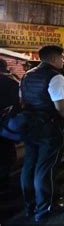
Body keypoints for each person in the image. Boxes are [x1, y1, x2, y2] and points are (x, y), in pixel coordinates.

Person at [19, 45, 64, 222]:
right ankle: (45, 208)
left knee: (29, 166)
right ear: (54, 58)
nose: (63, 59)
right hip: (49, 128)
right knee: (45, 169)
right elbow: (61, 108)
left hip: (29, 126)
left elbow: (22, 101)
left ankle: (30, 206)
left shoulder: (27, 75)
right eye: (62, 57)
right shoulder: (56, 77)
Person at [0, 58, 19, 192]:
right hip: (5, 124)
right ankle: (3, 183)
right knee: (6, 154)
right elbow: (16, 106)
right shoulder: (11, 83)